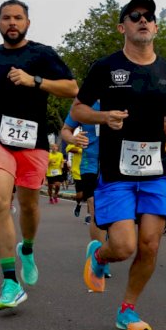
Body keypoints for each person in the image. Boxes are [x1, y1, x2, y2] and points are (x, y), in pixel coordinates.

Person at [73, 0, 166, 330]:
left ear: (156, 26)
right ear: (122, 27)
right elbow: (78, 111)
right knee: (125, 246)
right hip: (116, 171)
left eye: (149, 16)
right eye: (135, 15)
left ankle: (127, 309)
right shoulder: (105, 67)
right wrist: (103, 116)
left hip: (156, 170)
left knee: (150, 245)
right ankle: (100, 257)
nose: (143, 20)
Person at [0, 0, 78, 311]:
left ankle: (26, 248)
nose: (12, 22)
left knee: (29, 205)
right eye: (6, 18)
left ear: (27, 23)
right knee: (0, 202)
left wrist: (35, 81)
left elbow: (72, 88)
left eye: (18, 17)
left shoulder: (41, 54)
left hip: (33, 140)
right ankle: (10, 282)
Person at [60, 102, 111, 277]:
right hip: (90, 163)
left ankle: (104, 251)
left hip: (116, 163)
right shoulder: (83, 103)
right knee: (95, 207)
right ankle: (99, 258)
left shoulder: (120, 97)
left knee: (112, 213)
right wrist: (72, 138)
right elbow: (65, 129)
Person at [66, 142, 84, 215]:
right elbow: (68, 149)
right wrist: (81, 150)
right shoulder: (79, 139)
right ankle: (78, 204)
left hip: (91, 170)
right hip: (78, 172)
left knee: (90, 194)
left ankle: (89, 215)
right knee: (79, 195)